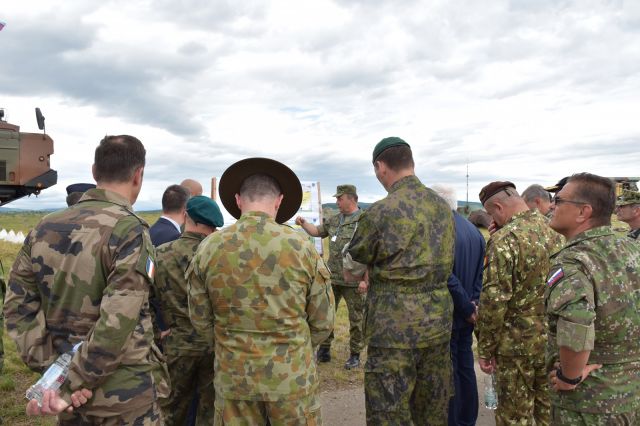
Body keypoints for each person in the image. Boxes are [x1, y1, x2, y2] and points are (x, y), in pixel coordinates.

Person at [3, 135, 167, 424]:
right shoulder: (129, 230)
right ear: (138, 174)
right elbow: (118, 321)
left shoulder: (44, 226)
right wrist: (71, 384)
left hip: (67, 394)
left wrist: (55, 375)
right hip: (122, 399)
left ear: (94, 172)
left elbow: (17, 307)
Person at [187, 157, 335, 425]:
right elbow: (323, 321)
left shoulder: (209, 248)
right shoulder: (302, 247)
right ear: (279, 201)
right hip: (291, 380)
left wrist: (229, 345)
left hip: (234, 379)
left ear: (238, 200)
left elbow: (200, 320)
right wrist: (294, 348)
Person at [345, 137, 455, 425]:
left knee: (388, 412)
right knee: (432, 411)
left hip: (392, 330)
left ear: (380, 166)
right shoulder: (442, 207)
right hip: (437, 324)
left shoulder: (380, 212)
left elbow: (351, 269)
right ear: (411, 163)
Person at [545, 173, 640, 424]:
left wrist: (569, 376)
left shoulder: (574, 261)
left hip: (589, 405)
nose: (552, 206)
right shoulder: (632, 249)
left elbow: (576, 324)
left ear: (583, 212)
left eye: (559, 200)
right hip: (632, 395)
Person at [475, 181, 564, 426]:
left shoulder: (504, 240)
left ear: (498, 207)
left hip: (514, 347)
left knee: (514, 415)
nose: (493, 220)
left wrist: (486, 349)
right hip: (552, 340)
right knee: (548, 411)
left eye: (492, 214)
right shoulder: (556, 232)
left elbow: (494, 301)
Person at [155, 195, 224, 426]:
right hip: (213, 344)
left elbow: (146, 297)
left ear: (186, 216)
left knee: (171, 409)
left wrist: (157, 331)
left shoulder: (160, 253)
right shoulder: (219, 255)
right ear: (213, 226)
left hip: (177, 344)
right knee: (210, 410)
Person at [295, 184, 365, 369]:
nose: (337, 202)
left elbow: (371, 252)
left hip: (354, 280)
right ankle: (325, 349)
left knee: (356, 319)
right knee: (327, 316)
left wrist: (366, 280)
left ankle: (355, 354)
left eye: (340, 199)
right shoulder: (335, 220)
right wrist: (303, 223)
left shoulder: (364, 220)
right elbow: (317, 231)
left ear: (351, 198)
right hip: (332, 278)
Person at [432, 184, 485, 426]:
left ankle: (453, 420)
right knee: (465, 367)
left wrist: (466, 306)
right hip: (468, 312)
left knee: (449, 372)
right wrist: (474, 303)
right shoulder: (474, 230)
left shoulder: (440, 231)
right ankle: (468, 419)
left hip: (450, 312)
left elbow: (446, 275)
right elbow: (480, 274)